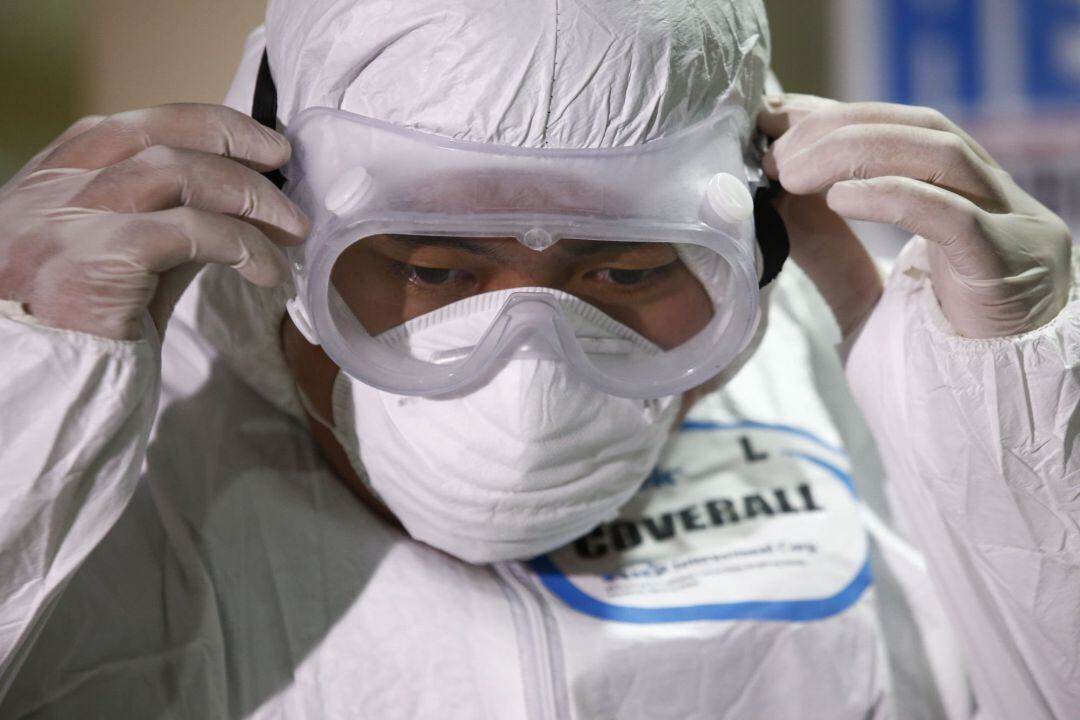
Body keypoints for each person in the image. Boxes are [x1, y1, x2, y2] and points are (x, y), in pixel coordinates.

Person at [0, 0, 1076, 717]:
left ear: (749, 239)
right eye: (434, 268)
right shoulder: (105, 426)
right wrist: (23, 396)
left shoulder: (872, 362)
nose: (531, 378)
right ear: (289, 228)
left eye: (623, 273)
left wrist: (1016, 425)